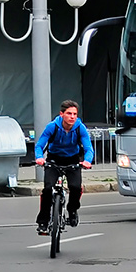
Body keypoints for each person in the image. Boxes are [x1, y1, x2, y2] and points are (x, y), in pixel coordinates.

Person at [34, 99, 94, 235]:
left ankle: (72, 210)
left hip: (73, 161)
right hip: (54, 160)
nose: (72, 117)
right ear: (62, 114)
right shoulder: (52, 127)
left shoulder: (80, 128)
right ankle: (43, 221)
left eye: (75, 114)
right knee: (48, 189)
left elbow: (88, 148)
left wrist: (87, 161)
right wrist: (39, 158)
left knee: (75, 188)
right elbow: (39, 145)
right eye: (69, 114)